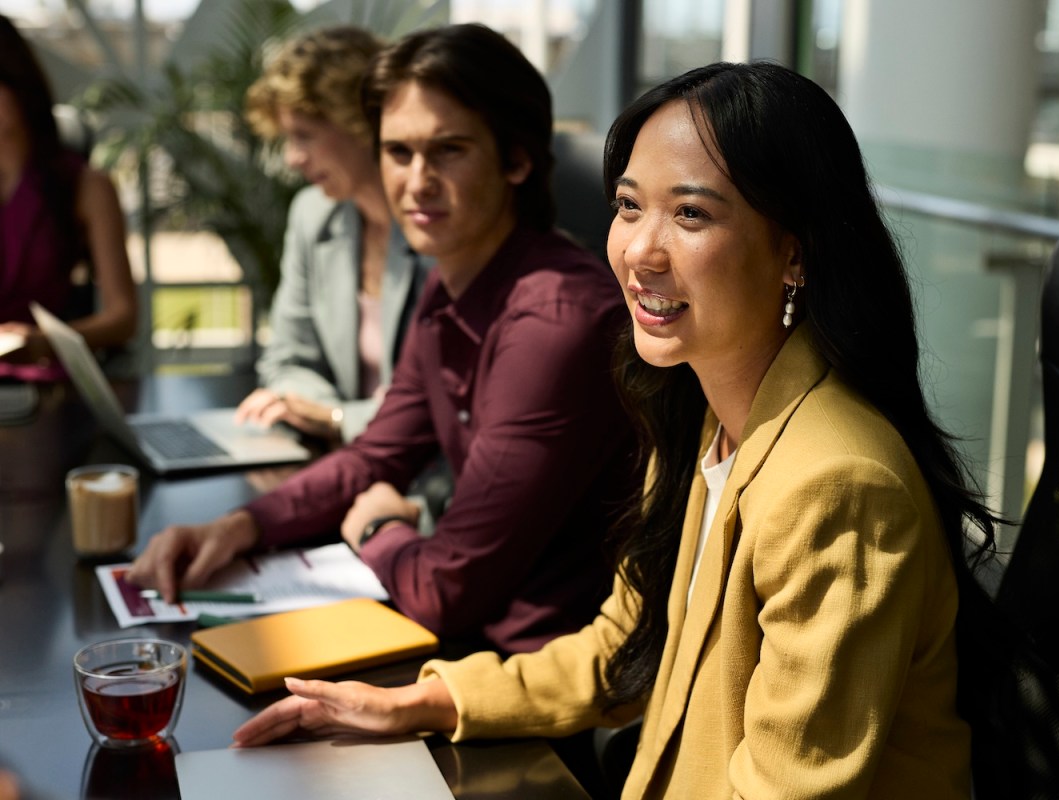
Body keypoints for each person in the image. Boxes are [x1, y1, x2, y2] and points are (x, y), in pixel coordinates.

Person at [230, 61, 1000, 799]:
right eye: (629, 206)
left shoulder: (836, 484)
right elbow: (621, 649)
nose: (638, 252)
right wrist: (418, 704)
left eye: (691, 214)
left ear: (793, 253)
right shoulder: (706, 423)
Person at [128, 24, 637, 655]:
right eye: (398, 152)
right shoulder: (452, 281)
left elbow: (446, 590)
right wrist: (237, 528)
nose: (416, 181)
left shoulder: (554, 320)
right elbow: (375, 456)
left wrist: (379, 528)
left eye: (448, 150)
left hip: (536, 676)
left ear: (516, 160)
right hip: (467, 646)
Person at [234, 26, 428, 443]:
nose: (292, 158)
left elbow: (446, 399)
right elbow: (286, 359)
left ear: (360, 123)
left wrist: (340, 419)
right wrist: (320, 413)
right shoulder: (312, 214)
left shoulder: (436, 221)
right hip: (343, 453)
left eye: (304, 136)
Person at [0, 14, 136, 381]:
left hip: (42, 377)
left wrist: (45, 343)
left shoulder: (86, 187)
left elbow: (123, 316)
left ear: (18, 86)